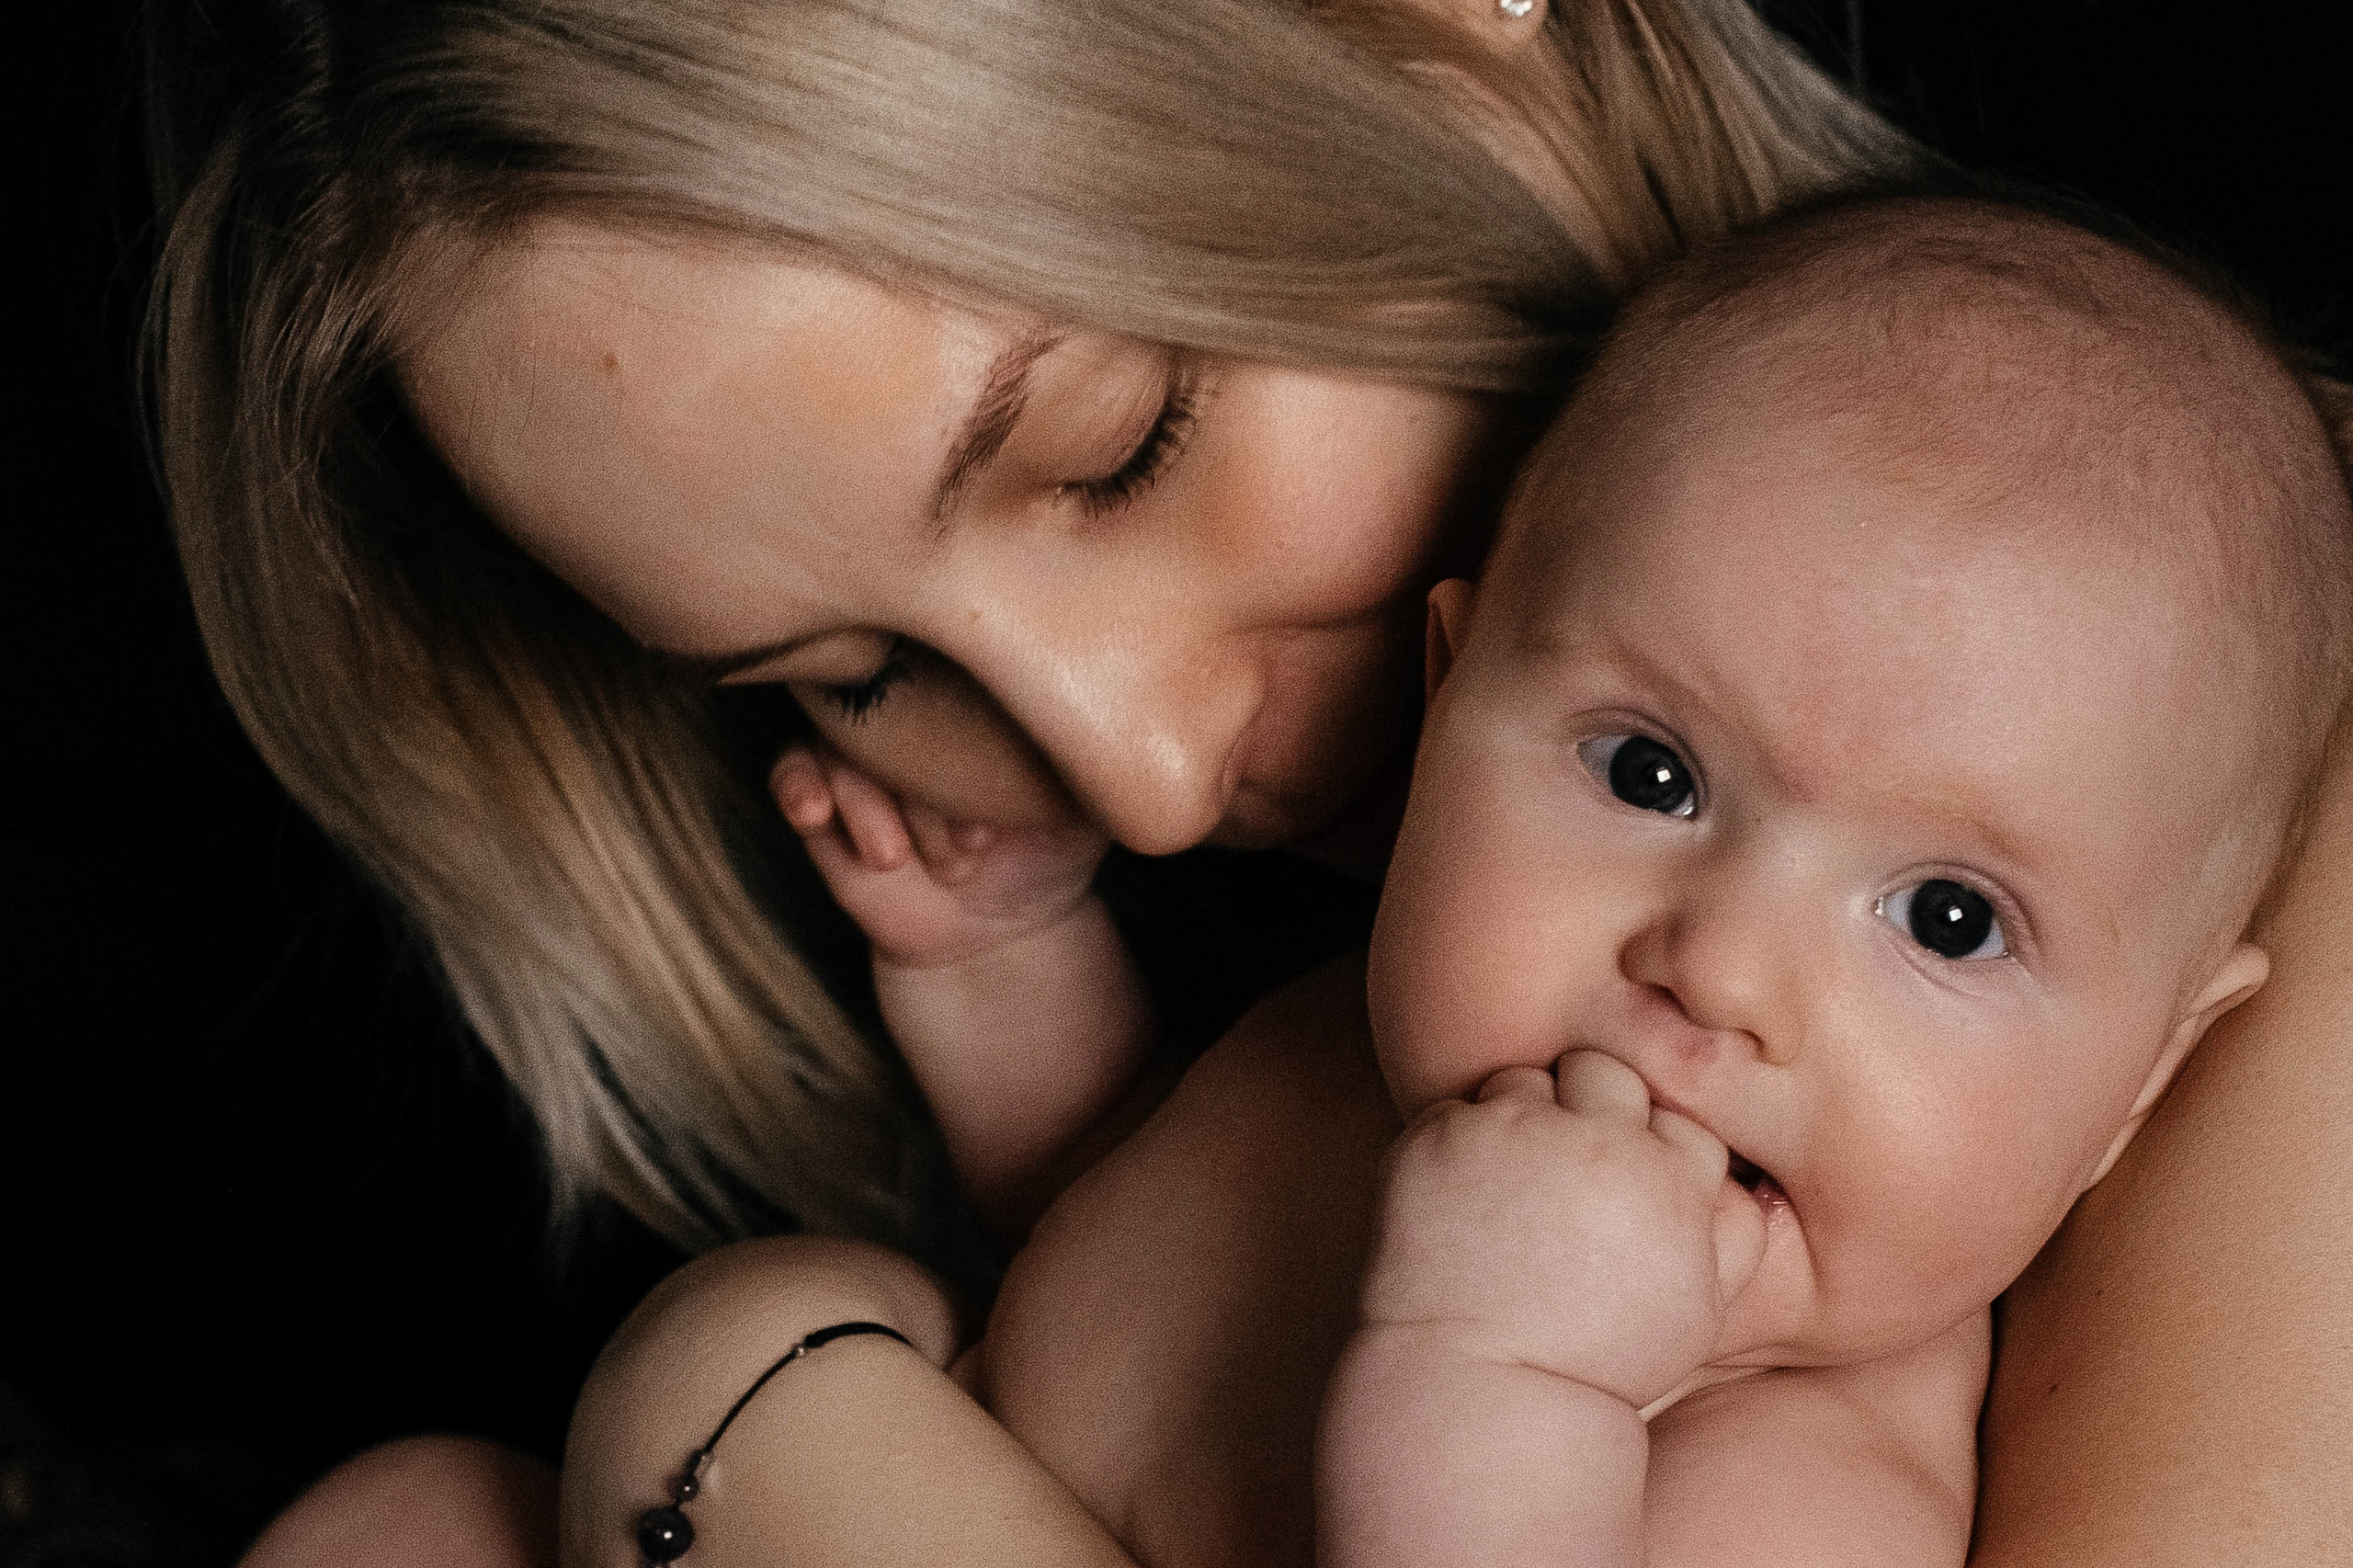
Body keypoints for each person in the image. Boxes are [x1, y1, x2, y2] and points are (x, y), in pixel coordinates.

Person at [135, 1, 2348, 1564]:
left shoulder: (1780, 1399)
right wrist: (1007, 962)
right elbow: (1121, 1240)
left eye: (1118, 444)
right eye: (855, 670)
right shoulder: (1425, 1034)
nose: (1143, 772)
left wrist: (1507, 1384)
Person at [1320, 193, 2352, 1565]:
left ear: (2144, 1083)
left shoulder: (1803, 1491)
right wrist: (997, 970)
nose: (1722, 969)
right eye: (1649, 774)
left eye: (1950, 917)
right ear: (1441, 704)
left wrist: (1497, 1388)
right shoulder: (1329, 1066)